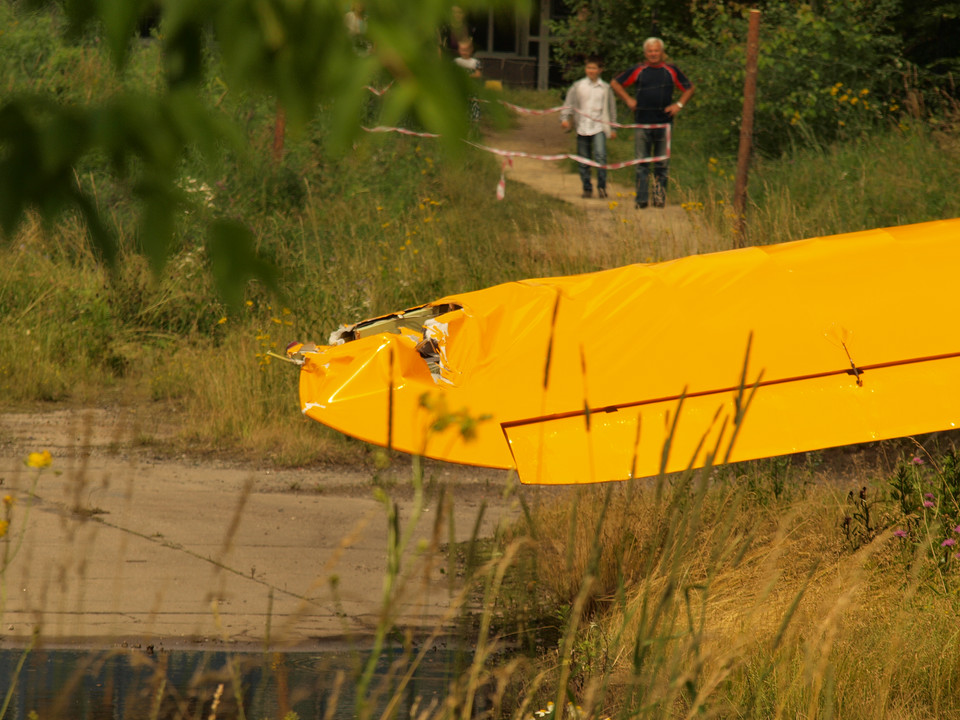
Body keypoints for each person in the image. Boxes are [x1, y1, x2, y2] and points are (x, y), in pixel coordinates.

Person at [611, 37, 694, 209]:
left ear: (662, 52)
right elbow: (615, 83)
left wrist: (678, 105)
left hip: (665, 124)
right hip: (642, 123)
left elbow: (689, 88)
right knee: (642, 163)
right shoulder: (638, 70)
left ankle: (659, 198)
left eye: (656, 50)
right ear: (645, 53)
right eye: (650, 51)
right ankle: (641, 200)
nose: (653, 54)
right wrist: (628, 100)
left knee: (662, 164)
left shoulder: (671, 70)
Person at [561, 56, 617, 199]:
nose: (591, 71)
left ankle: (602, 187)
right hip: (582, 127)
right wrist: (565, 118)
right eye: (588, 68)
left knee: (600, 156)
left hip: (599, 127)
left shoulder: (605, 88)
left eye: (594, 68)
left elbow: (611, 109)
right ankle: (587, 187)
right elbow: (569, 103)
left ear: (600, 70)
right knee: (584, 159)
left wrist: (613, 128)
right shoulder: (578, 86)